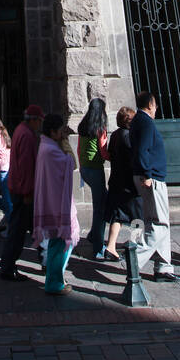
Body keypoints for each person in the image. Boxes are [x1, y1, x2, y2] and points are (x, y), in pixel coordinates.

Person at [130, 90, 180, 283]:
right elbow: (143, 150)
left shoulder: (139, 121)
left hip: (150, 176)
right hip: (151, 178)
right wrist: (147, 174)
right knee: (158, 223)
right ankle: (134, 259)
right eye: (155, 104)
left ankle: (163, 267)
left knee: (159, 222)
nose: (157, 108)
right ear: (150, 104)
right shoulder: (144, 122)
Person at [34, 113, 80, 295]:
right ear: (53, 132)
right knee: (60, 243)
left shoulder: (47, 145)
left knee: (57, 243)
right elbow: (71, 163)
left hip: (53, 201)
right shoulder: (51, 150)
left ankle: (56, 278)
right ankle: (54, 281)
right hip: (56, 204)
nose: (63, 134)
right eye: (60, 131)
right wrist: (67, 143)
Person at [0, 103, 44, 281]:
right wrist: (27, 192)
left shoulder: (20, 130)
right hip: (24, 191)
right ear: (33, 120)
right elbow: (26, 165)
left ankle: (46, 261)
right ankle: (8, 267)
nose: (40, 125)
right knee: (18, 232)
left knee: (35, 229)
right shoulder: (27, 135)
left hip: (19, 188)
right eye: (39, 121)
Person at [103, 107, 143, 261]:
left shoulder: (116, 135)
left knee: (118, 216)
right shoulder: (129, 137)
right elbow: (134, 160)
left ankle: (110, 246)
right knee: (138, 217)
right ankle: (134, 246)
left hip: (116, 181)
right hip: (130, 185)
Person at [77, 98, 109, 258]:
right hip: (96, 170)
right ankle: (98, 247)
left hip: (85, 169)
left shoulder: (83, 126)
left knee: (102, 203)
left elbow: (78, 148)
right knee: (100, 209)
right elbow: (103, 152)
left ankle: (93, 234)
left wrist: (82, 165)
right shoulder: (100, 128)